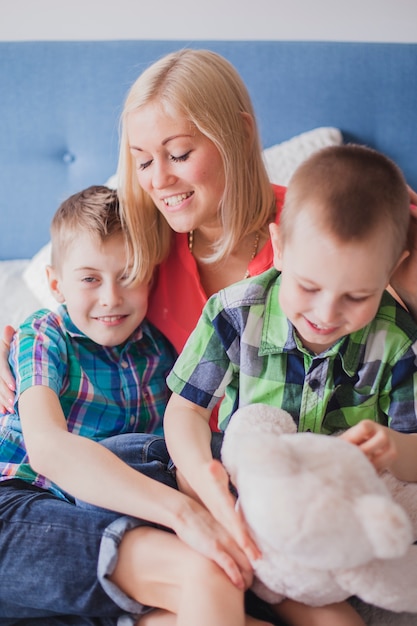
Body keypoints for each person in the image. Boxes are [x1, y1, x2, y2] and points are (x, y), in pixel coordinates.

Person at [0, 48, 416, 623]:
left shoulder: (320, 230)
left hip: (282, 481)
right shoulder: (148, 234)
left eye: (178, 154)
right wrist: (12, 351)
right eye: (143, 161)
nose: (159, 181)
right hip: (185, 468)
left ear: (237, 135)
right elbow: (68, 309)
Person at [163, 144, 417, 626]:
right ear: (278, 245)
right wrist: (204, 473)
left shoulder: (397, 342)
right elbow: (186, 411)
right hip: (249, 507)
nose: (325, 315)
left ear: (390, 271)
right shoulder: (235, 313)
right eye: (309, 286)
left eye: (356, 296)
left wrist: (394, 447)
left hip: (338, 527)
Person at [0, 185, 276, 626]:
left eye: (128, 275)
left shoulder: (159, 352)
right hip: (20, 503)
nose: (111, 297)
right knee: (209, 571)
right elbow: (48, 448)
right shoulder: (45, 334)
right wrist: (185, 514)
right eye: (90, 278)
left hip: (98, 525)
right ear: (56, 284)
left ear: (150, 276)